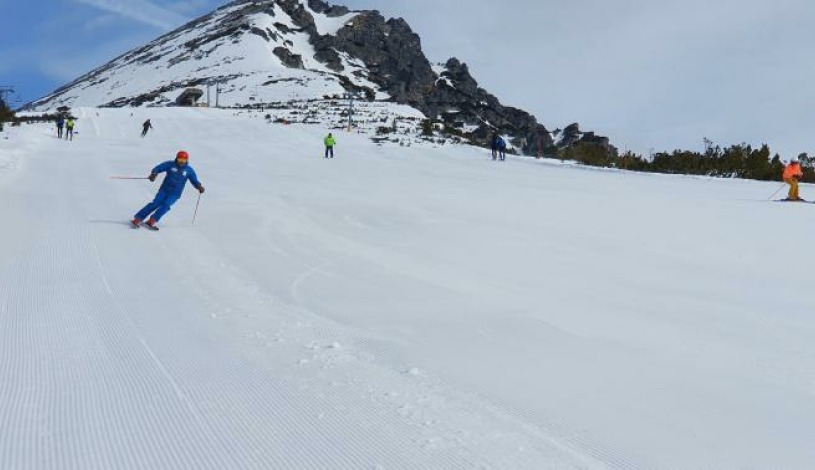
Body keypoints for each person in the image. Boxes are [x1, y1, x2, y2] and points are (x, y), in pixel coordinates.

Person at [131, 150, 205, 230]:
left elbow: (194, 180)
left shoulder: (189, 170)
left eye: (183, 160)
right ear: (176, 158)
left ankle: (152, 221)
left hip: (175, 193)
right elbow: (159, 168)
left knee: (166, 205)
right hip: (164, 190)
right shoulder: (170, 164)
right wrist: (154, 174)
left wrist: (199, 186)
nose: (181, 162)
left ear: (187, 160)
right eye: (180, 160)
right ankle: (137, 219)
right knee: (155, 204)